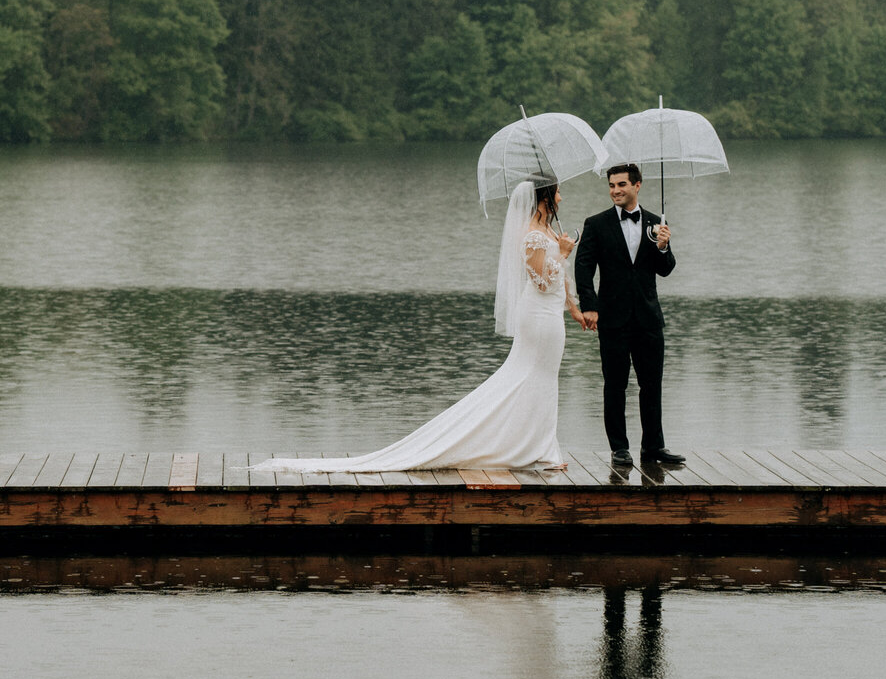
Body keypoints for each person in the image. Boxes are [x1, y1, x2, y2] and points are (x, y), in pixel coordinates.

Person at [249, 179, 586, 473]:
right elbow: (541, 280)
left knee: (541, 378)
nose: (561, 198)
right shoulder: (531, 235)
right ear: (545, 197)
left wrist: (574, 307)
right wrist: (565, 253)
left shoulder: (549, 231)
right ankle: (539, 449)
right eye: (558, 193)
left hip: (551, 315)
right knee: (534, 377)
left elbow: (558, 282)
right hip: (538, 318)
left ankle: (538, 445)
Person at [573, 163, 685, 467]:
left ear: (637, 185)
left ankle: (653, 447)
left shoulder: (654, 223)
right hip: (612, 318)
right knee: (615, 384)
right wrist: (589, 305)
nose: (615, 191)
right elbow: (583, 268)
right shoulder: (595, 224)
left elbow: (666, 269)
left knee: (652, 384)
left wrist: (663, 247)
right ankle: (619, 448)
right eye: (611, 185)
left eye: (621, 184)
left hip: (648, 319)